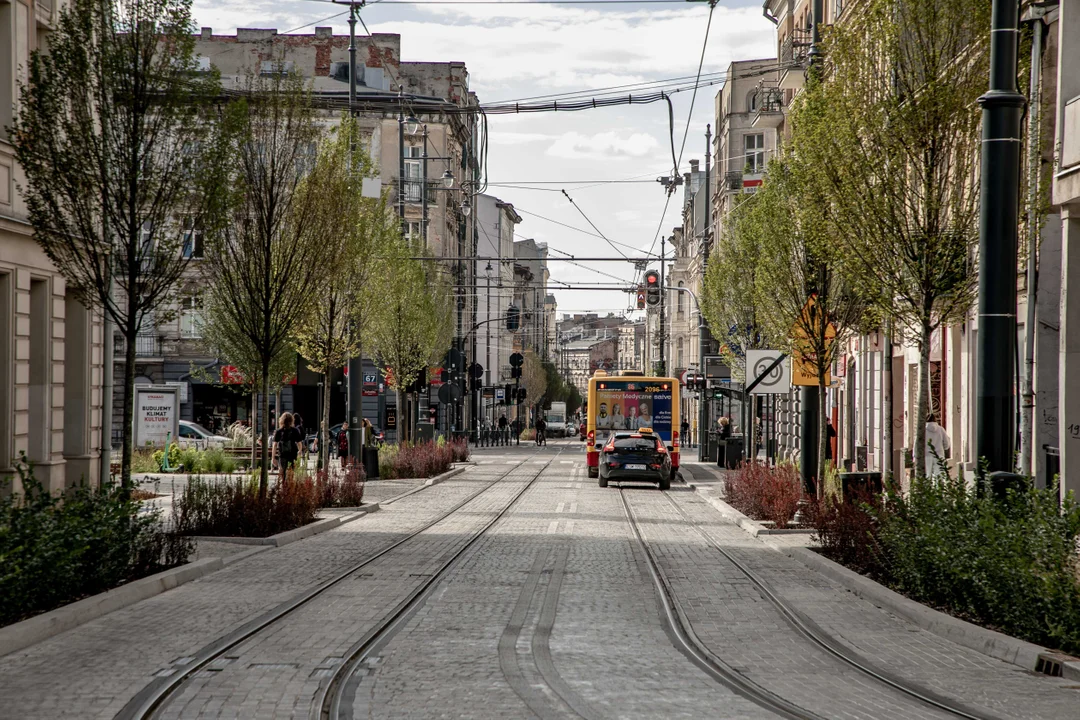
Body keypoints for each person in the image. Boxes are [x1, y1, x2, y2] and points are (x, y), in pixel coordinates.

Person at [925, 413, 951, 479]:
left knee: (927, 476)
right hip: (939, 455)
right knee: (939, 477)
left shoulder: (923, 430)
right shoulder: (941, 429)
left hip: (926, 455)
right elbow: (947, 444)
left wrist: (915, 456)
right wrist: (944, 448)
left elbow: (917, 443)